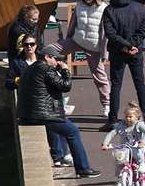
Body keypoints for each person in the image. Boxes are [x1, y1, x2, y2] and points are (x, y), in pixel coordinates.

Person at [18, 44, 100, 178]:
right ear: (47, 57)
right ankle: (83, 168)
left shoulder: (31, 68)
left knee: (59, 129)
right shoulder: (46, 69)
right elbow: (65, 86)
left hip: (28, 114)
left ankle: (59, 157)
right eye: (55, 59)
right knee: (72, 131)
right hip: (43, 115)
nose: (57, 62)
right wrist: (66, 71)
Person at [100, 0, 145, 130]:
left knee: (116, 85)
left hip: (118, 51)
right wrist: (133, 45)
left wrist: (125, 45)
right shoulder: (139, 8)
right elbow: (144, 29)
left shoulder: (110, 10)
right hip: (135, 51)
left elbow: (110, 33)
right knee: (140, 84)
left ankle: (113, 119)